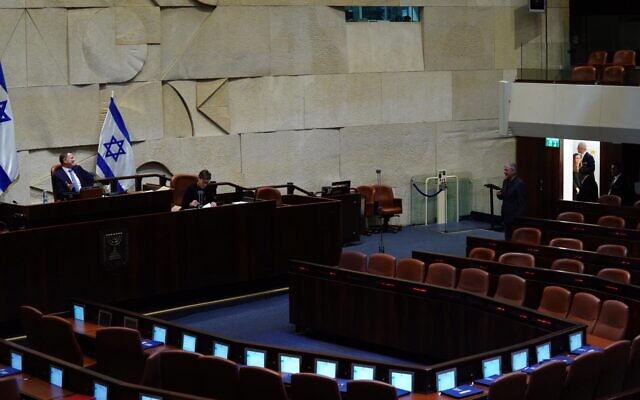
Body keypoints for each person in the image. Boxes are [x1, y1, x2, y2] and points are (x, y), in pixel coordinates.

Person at [496, 162, 527, 240]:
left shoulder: (519, 184)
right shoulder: (505, 181)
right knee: (507, 238)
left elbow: (522, 203)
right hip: (506, 216)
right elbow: (504, 196)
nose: (504, 172)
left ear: (513, 171)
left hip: (514, 218)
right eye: (504, 170)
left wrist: (517, 218)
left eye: (506, 170)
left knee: (515, 239)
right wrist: (499, 195)